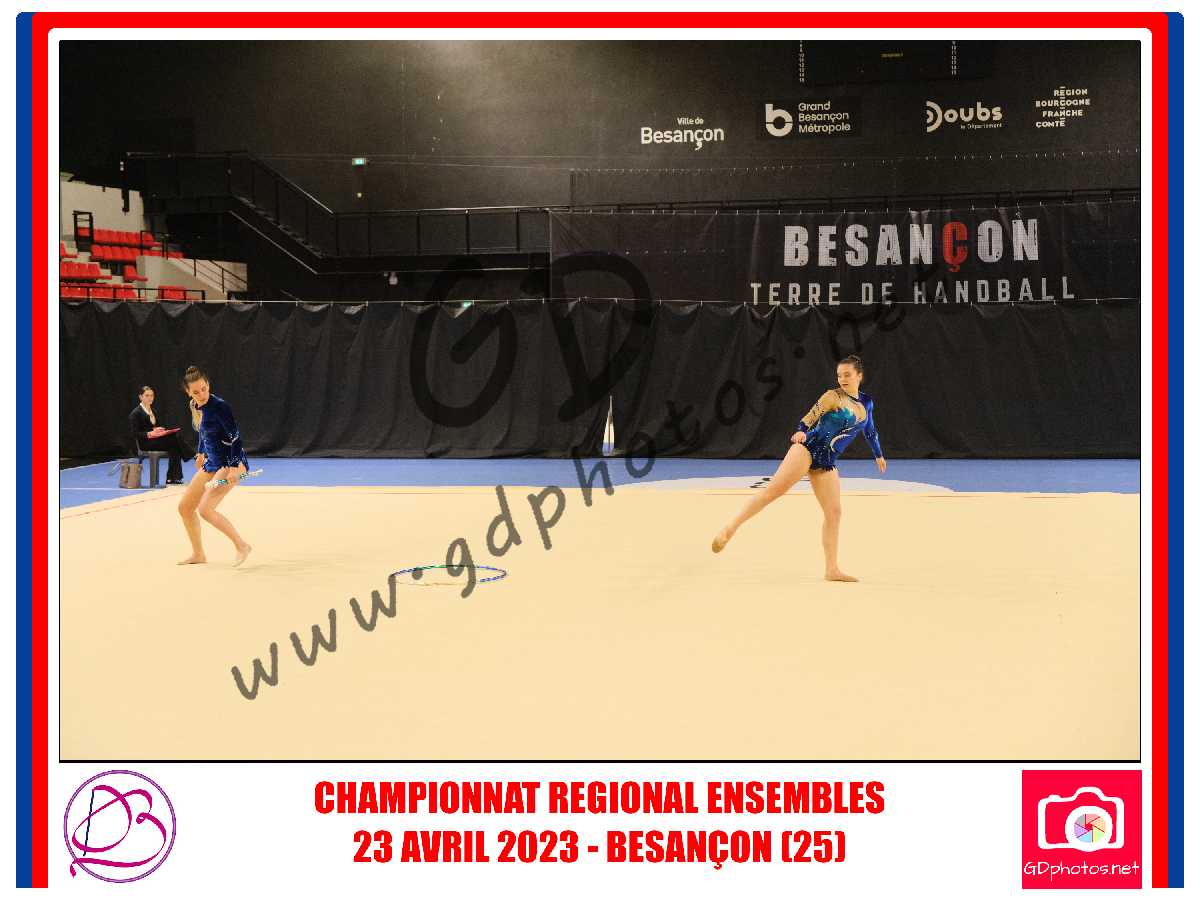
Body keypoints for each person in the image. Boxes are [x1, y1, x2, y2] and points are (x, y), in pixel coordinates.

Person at [711, 354, 887, 582]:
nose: (842, 379)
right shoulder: (832, 396)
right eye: (839, 375)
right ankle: (729, 529)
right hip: (807, 449)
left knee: (834, 513)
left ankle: (831, 569)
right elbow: (809, 417)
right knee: (771, 492)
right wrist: (801, 431)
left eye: (847, 375)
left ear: (859, 376)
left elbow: (870, 431)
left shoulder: (867, 403)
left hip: (826, 462)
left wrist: (878, 454)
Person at [176, 366, 253, 566]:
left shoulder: (220, 406)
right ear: (188, 392)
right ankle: (198, 554)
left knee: (205, 510)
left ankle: (242, 546)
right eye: (196, 392)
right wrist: (201, 452)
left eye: (204, 389)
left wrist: (234, 468)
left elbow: (235, 438)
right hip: (213, 463)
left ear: (208, 384)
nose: (201, 394)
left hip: (230, 462)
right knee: (185, 508)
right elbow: (204, 432)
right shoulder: (195, 405)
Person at [128, 386, 190, 484]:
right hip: (145, 443)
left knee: (174, 442)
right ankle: (191, 455)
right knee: (175, 440)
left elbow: (156, 427)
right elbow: (134, 434)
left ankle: (172, 478)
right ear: (140, 397)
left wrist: (159, 430)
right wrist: (149, 433)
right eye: (147, 395)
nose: (150, 398)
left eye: (152, 395)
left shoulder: (154, 411)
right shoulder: (135, 413)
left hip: (156, 440)